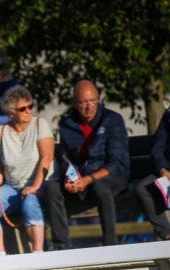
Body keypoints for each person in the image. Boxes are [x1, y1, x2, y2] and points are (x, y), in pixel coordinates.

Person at [44, 80, 129, 249]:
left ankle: (111, 245)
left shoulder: (113, 120)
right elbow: (66, 159)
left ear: (98, 99)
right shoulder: (66, 125)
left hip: (111, 176)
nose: (88, 107)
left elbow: (116, 162)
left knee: (100, 186)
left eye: (92, 101)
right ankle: (62, 247)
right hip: (83, 179)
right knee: (52, 188)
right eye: (83, 102)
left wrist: (88, 179)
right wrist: (69, 179)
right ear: (74, 103)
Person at [0, 86, 53, 254]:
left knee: (30, 202)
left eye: (30, 106)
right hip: (12, 186)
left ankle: (38, 254)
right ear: (11, 113)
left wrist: (35, 186)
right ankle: (1, 258)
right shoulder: (1, 131)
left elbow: (46, 159)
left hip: (40, 183)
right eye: (22, 108)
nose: (28, 111)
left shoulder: (40, 124)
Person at [134, 105, 170, 241]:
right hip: (167, 173)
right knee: (143, 189)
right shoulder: (169, 115)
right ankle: (167, 235)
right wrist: (162, 169)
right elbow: (157, 148)